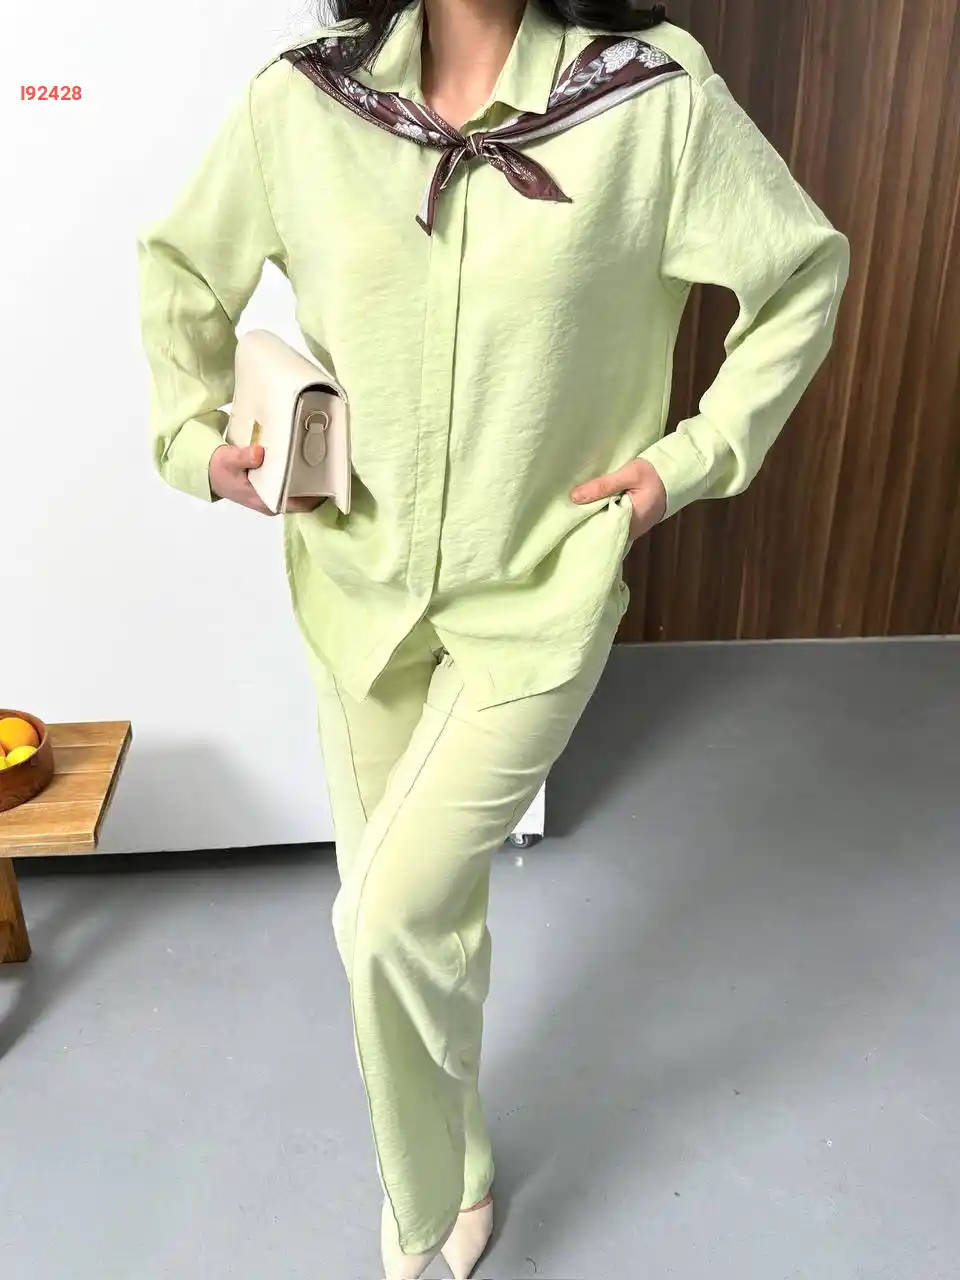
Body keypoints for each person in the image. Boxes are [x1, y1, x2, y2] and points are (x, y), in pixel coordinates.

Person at [136, 0, 850, 1272]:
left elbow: (800, 272)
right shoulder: (301, 102)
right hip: (358, 589)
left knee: (381, 915)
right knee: (429, 916)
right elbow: (181, 266)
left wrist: (683, 463)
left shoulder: (650, 101)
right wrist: (203, 443)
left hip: (540, 592)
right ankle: (461, 1157)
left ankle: (417, 1218)